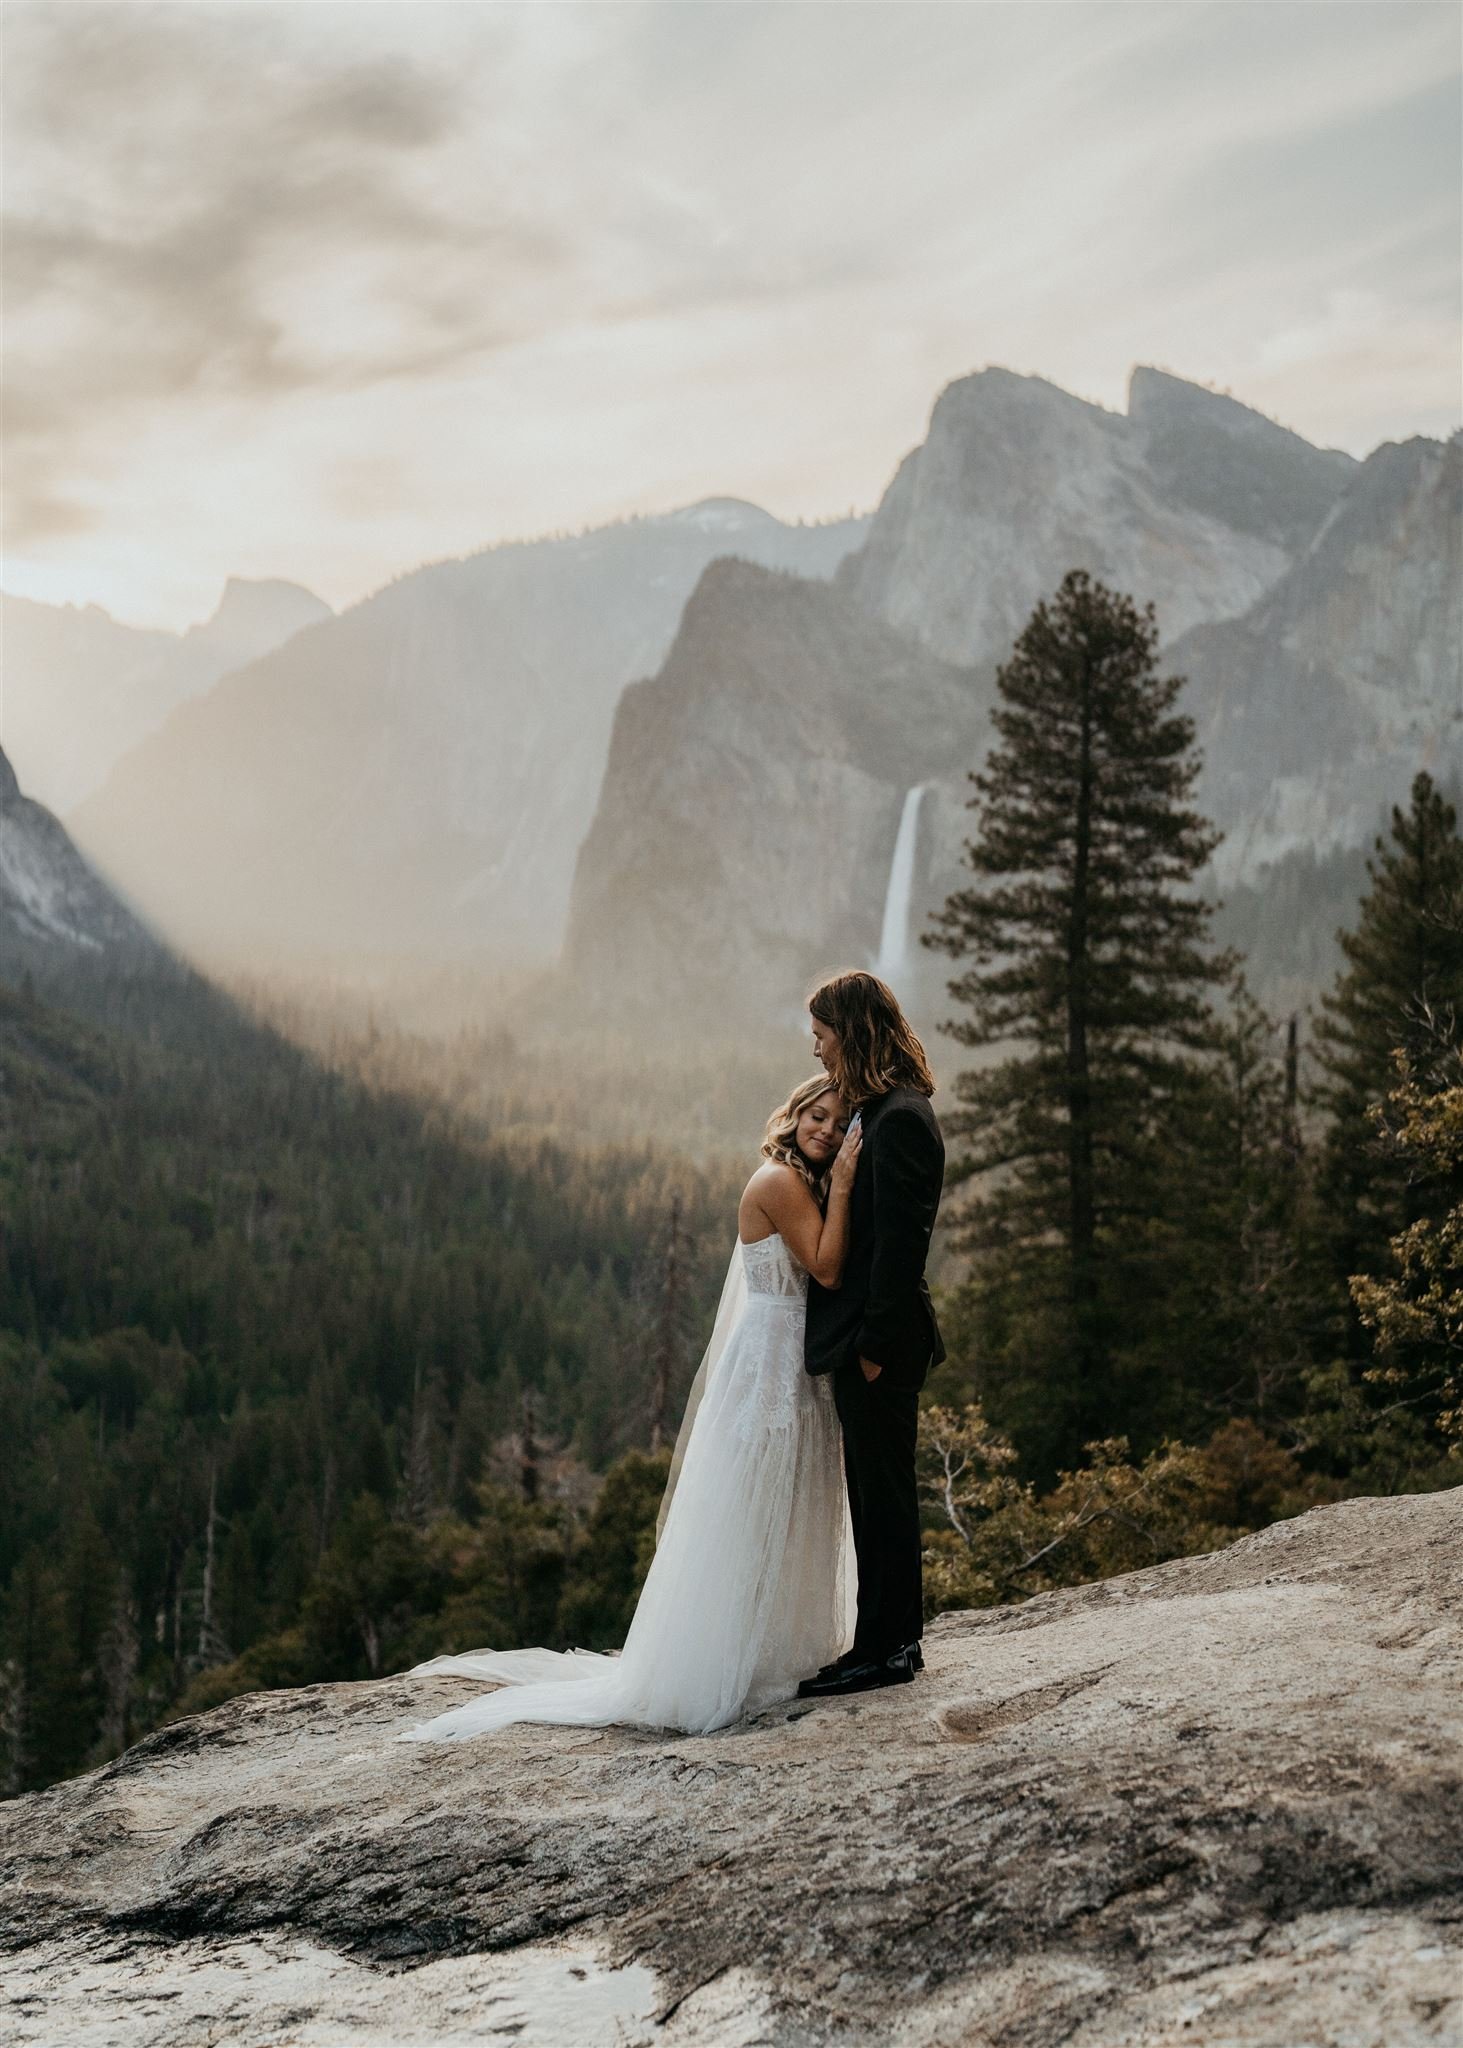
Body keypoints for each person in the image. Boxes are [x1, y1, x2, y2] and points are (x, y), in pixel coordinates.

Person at [396, 1075, 862, 1742]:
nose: (825, 1129)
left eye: (840, 1123)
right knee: (755, 1502)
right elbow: (824, 1266)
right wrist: (844, 1183)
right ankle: (727, 1663)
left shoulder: (800, 1181)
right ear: (794, 1115)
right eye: (817, 1115)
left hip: (792, 1359)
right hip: (769, 1363)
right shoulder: (782, 1183)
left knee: (788, 1502)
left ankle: (773, 1651)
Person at [797, 970, 944, 1699]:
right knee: (875, 1493)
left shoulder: (902, 1119)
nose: (818, 1052)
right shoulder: (879, 1111)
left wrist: (874, 1350)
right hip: (868, 1340)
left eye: (823, 1037)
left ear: (850, 1032)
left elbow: (901, 1250)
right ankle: (886, 1642)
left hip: (881, 1344)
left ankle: (886, 1650)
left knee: (883, 1496)